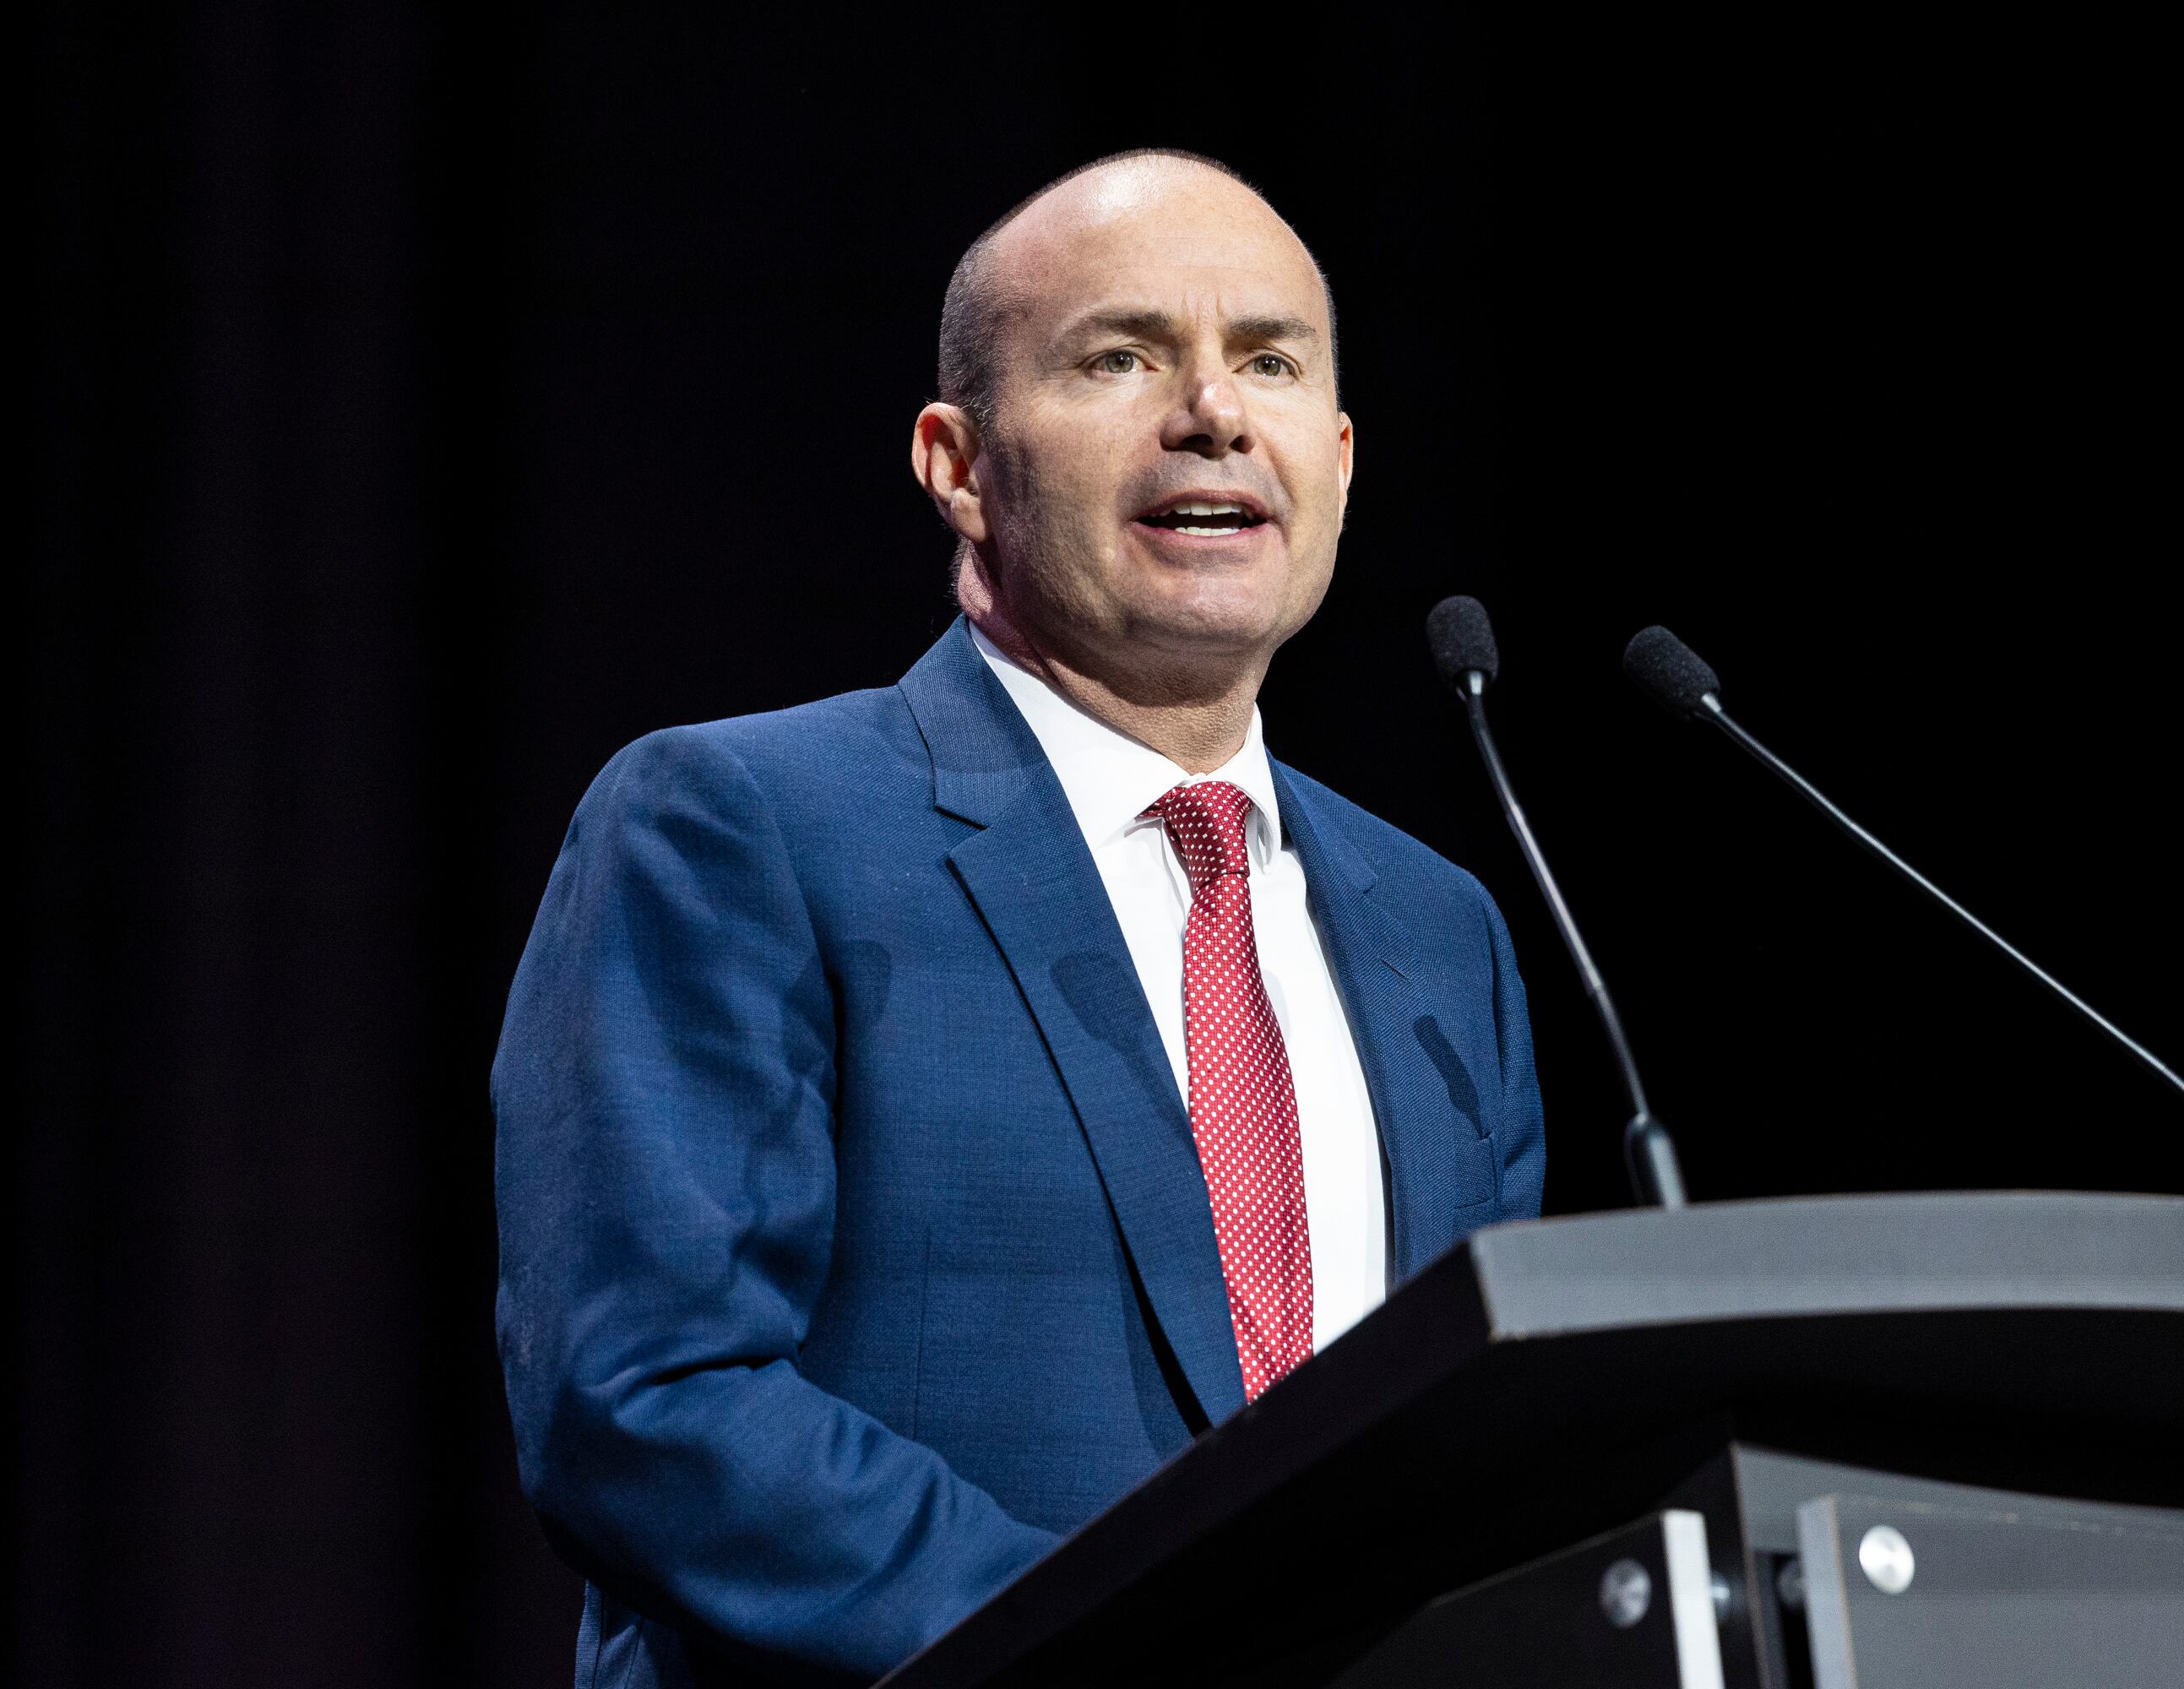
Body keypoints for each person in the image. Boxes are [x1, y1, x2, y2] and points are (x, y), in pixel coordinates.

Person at [492, 149, 1546, 1687]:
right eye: (1120, 357)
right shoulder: (740, 828)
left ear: (1335, 452)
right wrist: (1123, 1644)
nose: (1211, 412)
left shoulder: (1441, 933)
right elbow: (647, 1397)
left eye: (1267, 361)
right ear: (957, 463)